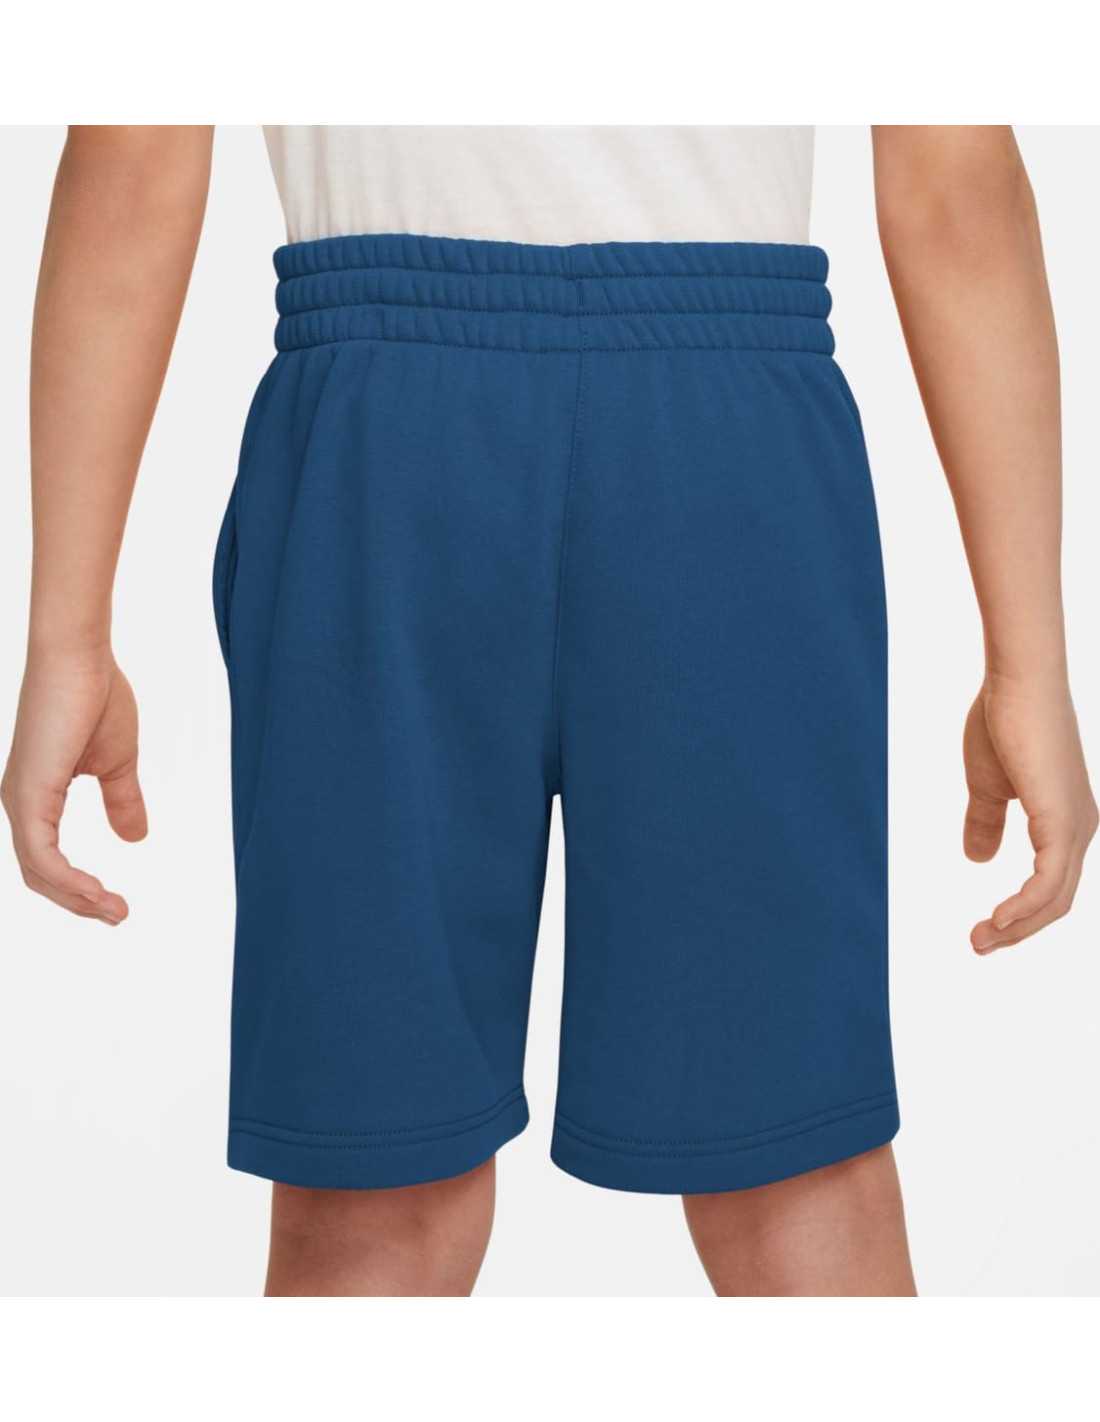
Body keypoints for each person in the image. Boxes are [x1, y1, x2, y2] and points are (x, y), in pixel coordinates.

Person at [2, 126, 1095, 1297]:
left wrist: (68, 633)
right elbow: (949, 185)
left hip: (395, 444)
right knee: (785, 1184)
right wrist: (1024, 661)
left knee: (381, 1207)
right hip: (712, 448)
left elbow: (135, 161)